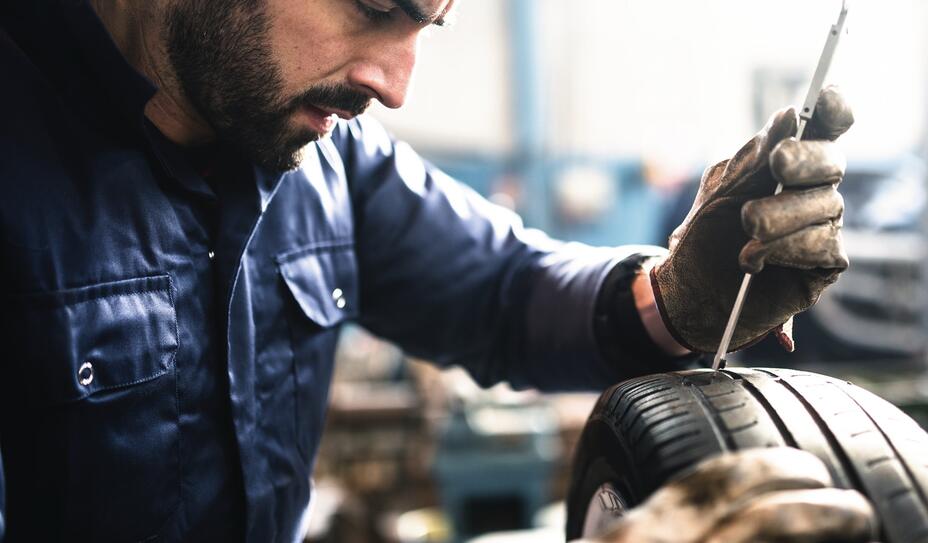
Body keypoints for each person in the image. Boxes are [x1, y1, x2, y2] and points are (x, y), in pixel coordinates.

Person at [0, 1, 868, 541]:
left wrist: (677, 296)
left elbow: (501, 290)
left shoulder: (329, 159)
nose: (396, 84)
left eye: (427, 24)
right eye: (375, 5)